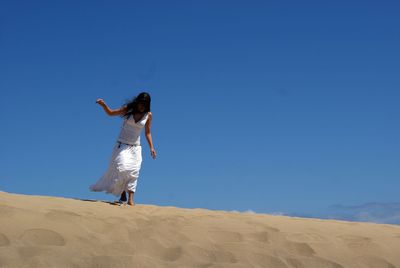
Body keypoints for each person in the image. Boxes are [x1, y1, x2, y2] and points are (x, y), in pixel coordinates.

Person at [90, 92, 156, 206]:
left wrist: (151, 147)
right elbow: (111, 113)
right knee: (122, 168)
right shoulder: (128, 110)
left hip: (136, 147)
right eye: (140, 104)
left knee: (134, 171)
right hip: (122, 145)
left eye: (144, 105)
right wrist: (104, 105)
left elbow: (148, 132)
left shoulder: (148, 115)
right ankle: (122, 193)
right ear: (137, 102)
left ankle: (131, 198)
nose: (142, 107)